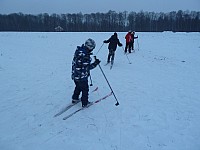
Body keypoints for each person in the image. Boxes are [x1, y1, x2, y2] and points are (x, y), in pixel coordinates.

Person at [71, 38, 100, 107]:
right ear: (89, 46)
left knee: (78, 86)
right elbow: (87, 67)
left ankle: (75, 98)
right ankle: (85, 103)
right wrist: (95, 64)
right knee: (85, 89)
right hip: (81, 76)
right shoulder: (84, 55)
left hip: (75, 75)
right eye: (92, 48)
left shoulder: (79, 51)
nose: (92, 49)